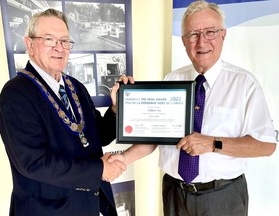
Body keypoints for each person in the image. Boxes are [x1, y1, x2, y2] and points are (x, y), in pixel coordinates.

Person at [108, 1, 277, 216]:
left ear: (223, 35)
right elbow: (156, 137)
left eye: (210, 32)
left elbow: (266, 145)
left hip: (222, 197)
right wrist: (124, 158)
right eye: (193, 34)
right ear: (184, 41)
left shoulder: (244, 84)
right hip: (174, 193)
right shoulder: (172, 79)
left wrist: (212, 143)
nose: (201, 41)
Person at [0, 8, 132, 216]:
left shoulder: (75, 86)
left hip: (89, 204)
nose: (59, 48)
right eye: (49, 39)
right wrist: (100, 170)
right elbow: (33, 162)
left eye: (65, 41)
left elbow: (98, 136)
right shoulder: (16, 93)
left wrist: (116, 108)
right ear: (29, 44)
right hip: (47, 210)